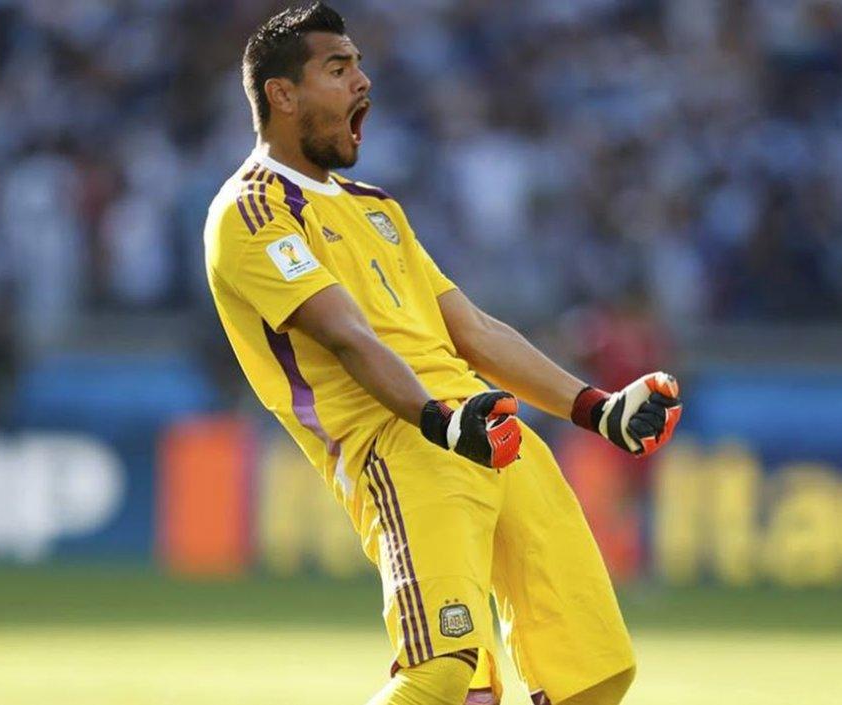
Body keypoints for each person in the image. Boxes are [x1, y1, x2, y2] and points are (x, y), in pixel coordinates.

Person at [202, 5, 683, 705]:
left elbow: (474, 332)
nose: (363, 81)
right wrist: (439, 421)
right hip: (404, 443)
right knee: (443, 674)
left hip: (494, 434)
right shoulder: (252, 211)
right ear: (283, 94)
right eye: (338, 69)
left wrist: (596, 409)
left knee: (593, 673)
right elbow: (349, 337)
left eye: (359, 65)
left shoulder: (376, 208)